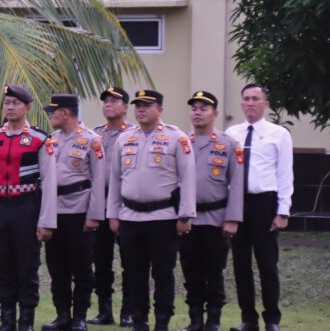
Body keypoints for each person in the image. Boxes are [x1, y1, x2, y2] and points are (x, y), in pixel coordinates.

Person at [0, 84, 57, 331]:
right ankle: (7, 320)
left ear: (27, 108)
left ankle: (26, 321)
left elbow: (49, 183)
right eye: (7, 103)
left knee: (27, 265)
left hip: (27, 208)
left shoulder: (39, 139)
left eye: (16, 103)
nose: (10, 107)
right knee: (0, 264)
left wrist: (46, 222)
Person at [107, 90, 196, 331]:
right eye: (138, 105)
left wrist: (185, 215)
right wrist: (112, 214)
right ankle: (139, 320)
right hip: (130, 217)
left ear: (160, 109)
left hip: (162, 217)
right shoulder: (125, 139)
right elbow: (115, 179)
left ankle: (162, 320)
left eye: (147, 105)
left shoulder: (176, 138)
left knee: (163, 273)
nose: (141, 109)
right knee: (134, 272)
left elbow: (188, 179)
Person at [224, 84, 292, 331]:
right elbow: (226, 172)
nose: (250, 103)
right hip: (238, 203)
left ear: (266, 103)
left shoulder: (278, 134)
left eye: (255, 98)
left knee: (267, 263)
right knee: (241, 264)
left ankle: (272, 320)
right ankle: (248, 319)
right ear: (241, 104)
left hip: (264, 202)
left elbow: (285, 174)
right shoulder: (231, 133)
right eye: (246, 99)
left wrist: (283, 211)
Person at [42, 94, 107, 331]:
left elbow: (99, 180)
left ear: (66, 112)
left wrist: (94, 215)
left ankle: (79, 316)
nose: (50, 116)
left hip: (79, 209)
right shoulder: (51, 140)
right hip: (54, 210)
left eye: (53, 111)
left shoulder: (91, 140)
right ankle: (62, 315)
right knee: (56, 266)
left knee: (81, 267)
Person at [181, 91, 243, 331]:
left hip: (216, 219)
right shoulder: (182, 142)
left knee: (214, 271)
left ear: (215, 113)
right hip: (188, 219)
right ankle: (195, 319)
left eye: (203, 108)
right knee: (191, 270)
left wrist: (232, 219)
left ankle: (214, 320)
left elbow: (236, 183)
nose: (197, 112)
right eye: (194, 108)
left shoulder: (229, 144)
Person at [89, 87, 132, 327]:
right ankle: (104, 310)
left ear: (125, 107)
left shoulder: (134, 134)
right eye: (106, 100)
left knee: (130, 260)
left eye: (114, 101)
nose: (108, 104)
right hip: (100, 200)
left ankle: (128, 310)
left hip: (127, 202)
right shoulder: (96, 135)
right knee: (101, 259)